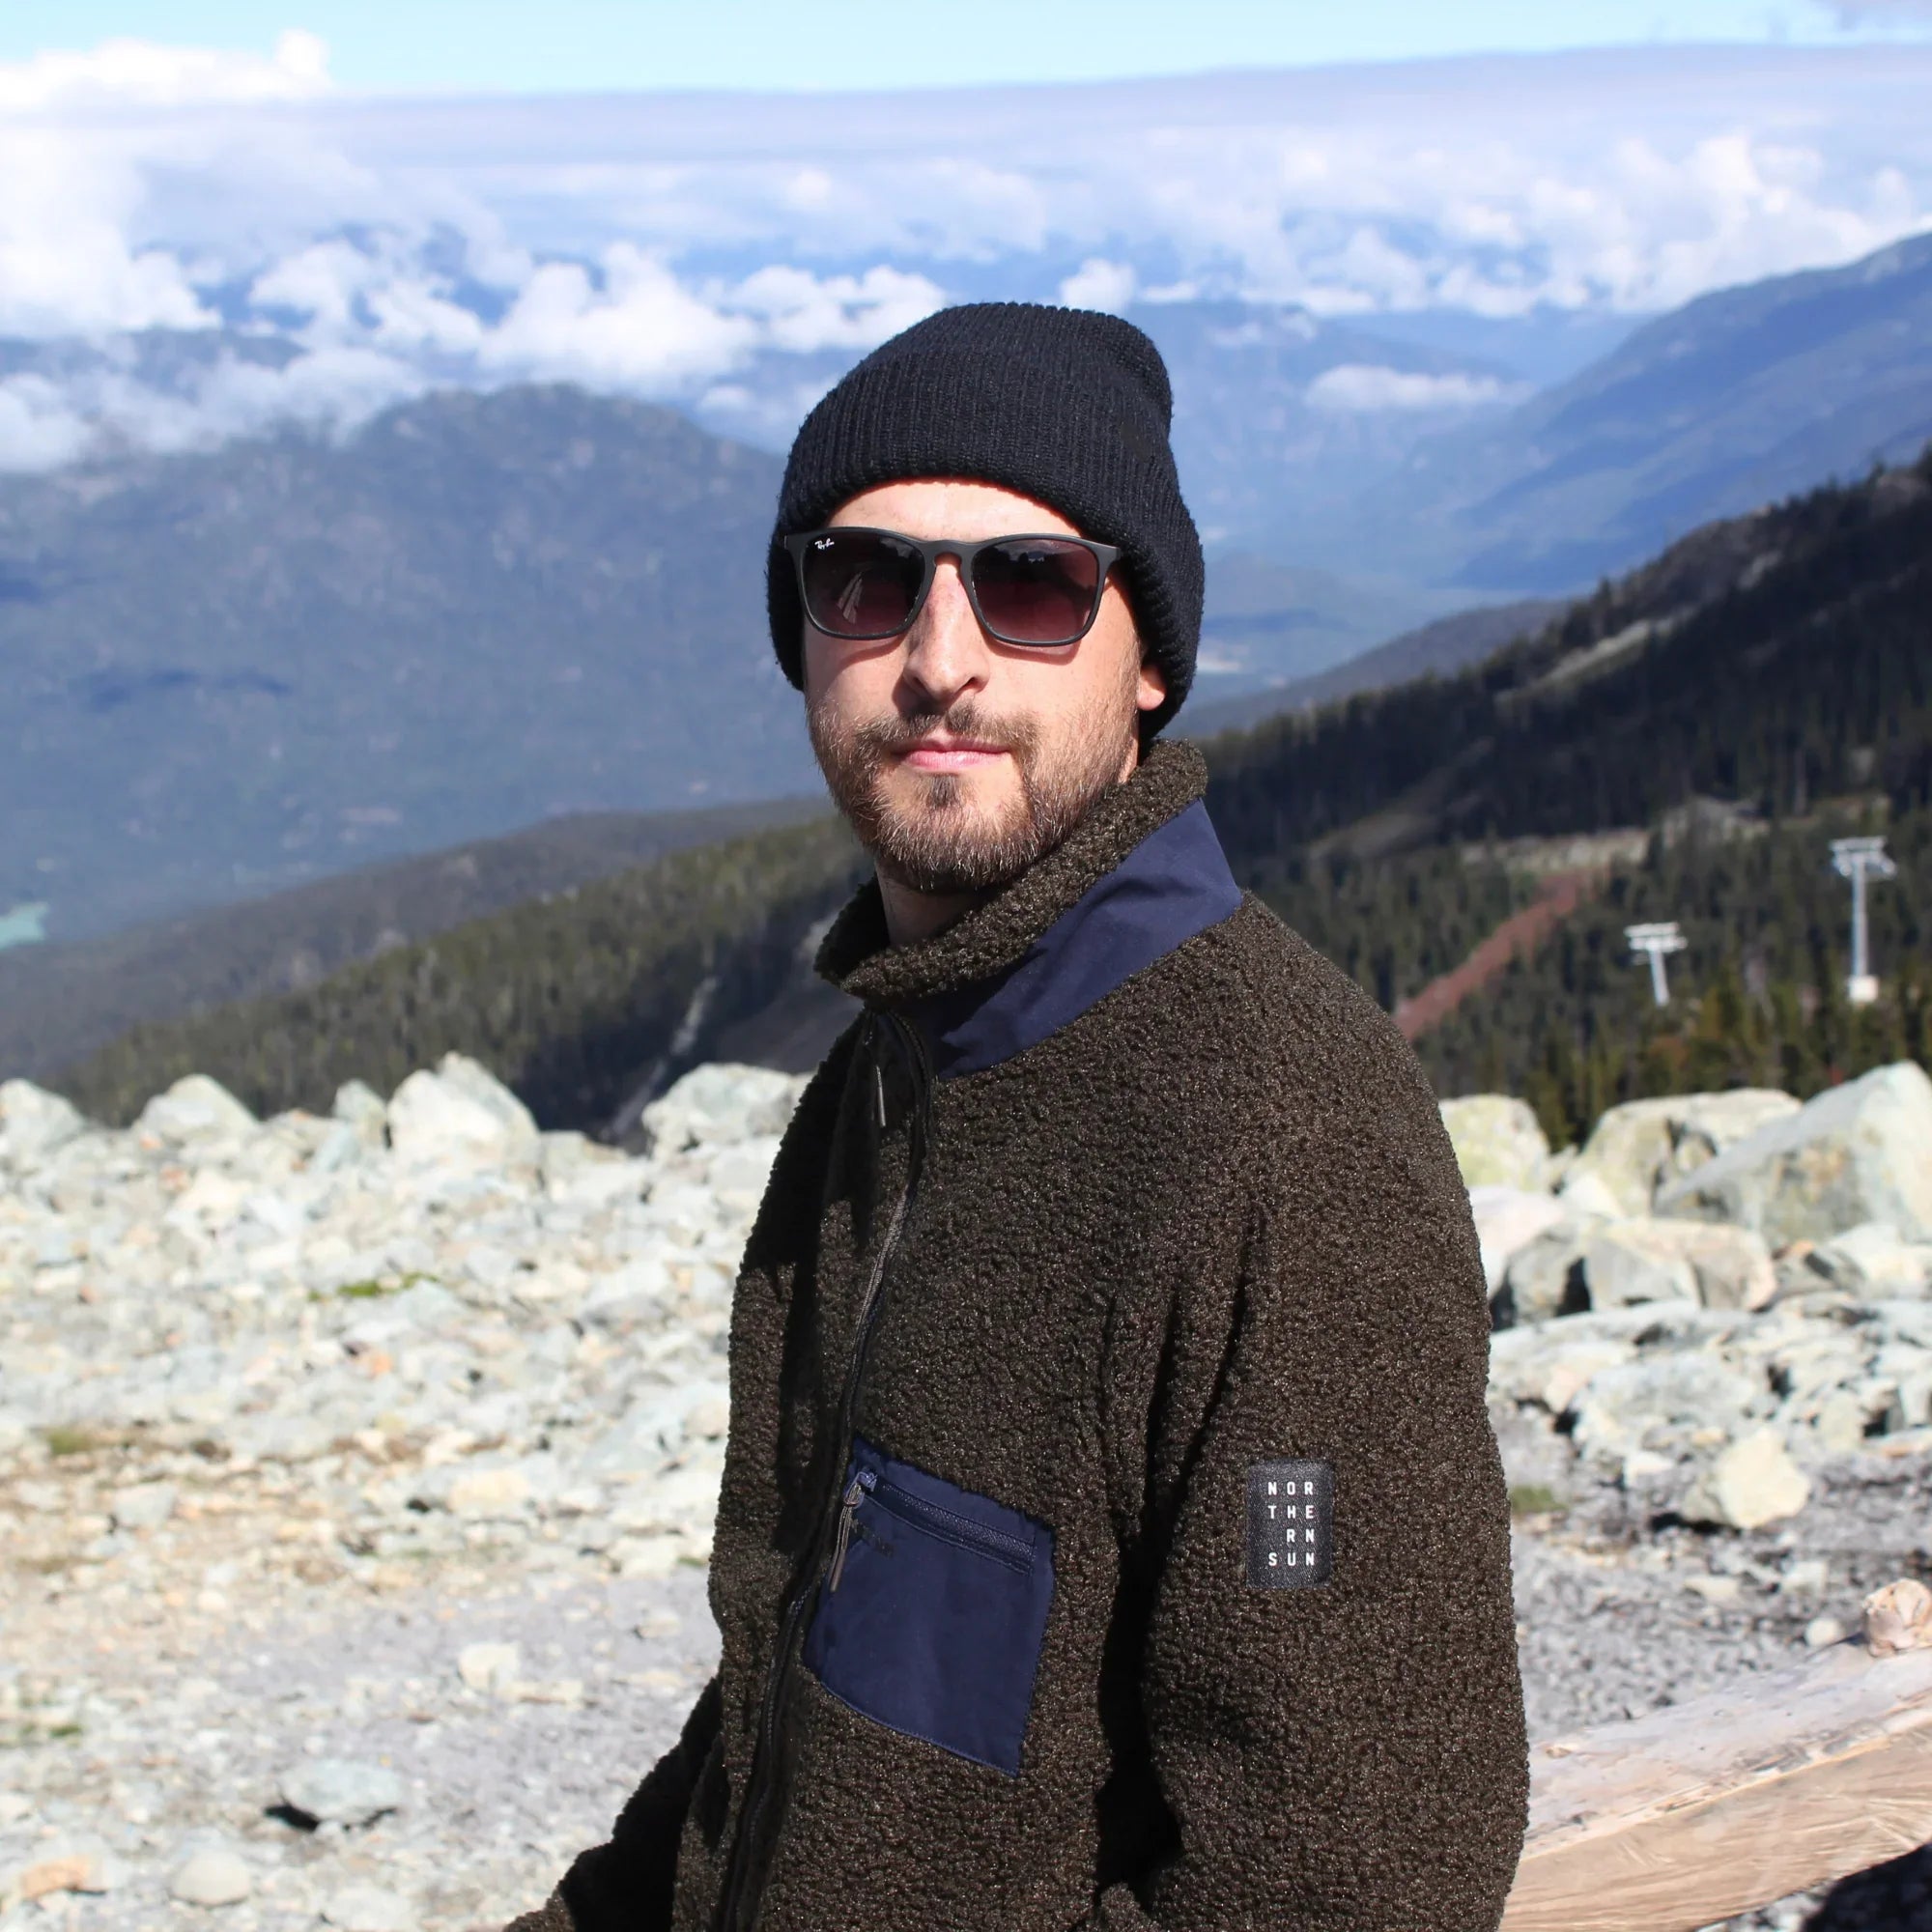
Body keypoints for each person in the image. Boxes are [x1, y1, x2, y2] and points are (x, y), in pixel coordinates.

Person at [507, 301, 1528, 1932]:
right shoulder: (894, 1073)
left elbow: (1354, 1875)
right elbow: (796, 1695)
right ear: (804, 631)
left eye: (1034, 582)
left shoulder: (1281, 1143)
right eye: (866, 576)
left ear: (1151, 663)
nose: (940, 656)